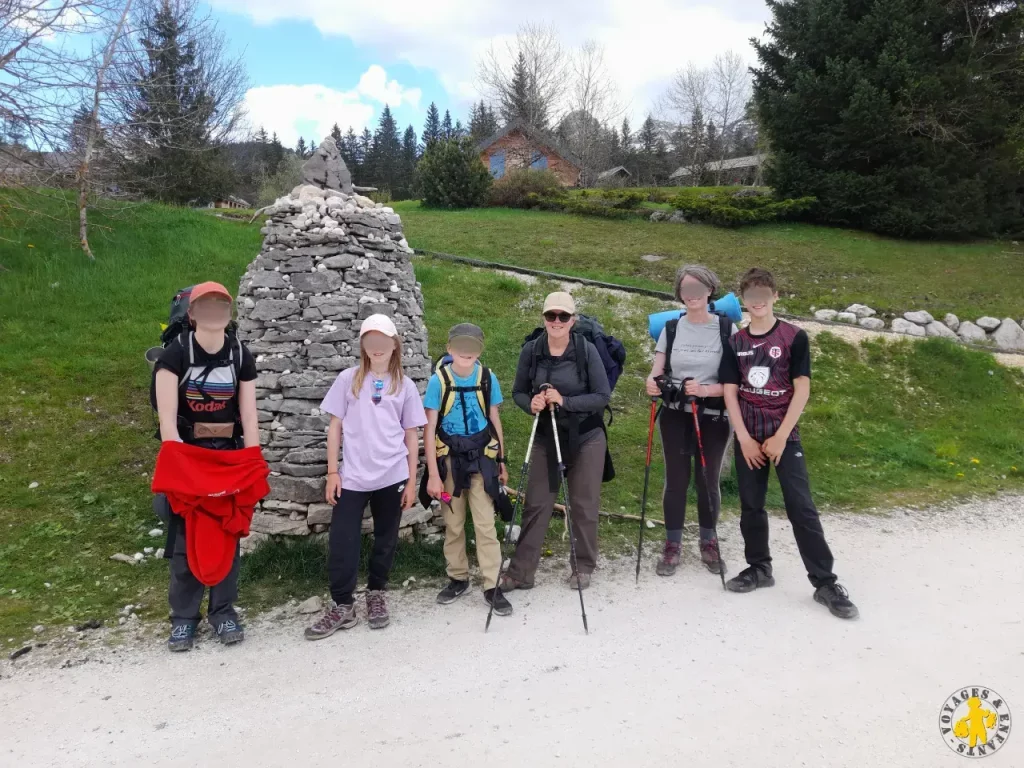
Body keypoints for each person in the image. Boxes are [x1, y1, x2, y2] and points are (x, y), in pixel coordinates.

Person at [719, 267, 859, 619]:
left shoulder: (794, 337)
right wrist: (744, 439)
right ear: (744, 300)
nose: (758, 301)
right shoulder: (735, 342)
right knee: (751, 505)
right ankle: (759, 568)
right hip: (748, 435)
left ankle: (825, 582)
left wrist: (781, 436)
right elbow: (730, 391)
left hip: (784, 435)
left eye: (764, 294)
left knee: (801, 507)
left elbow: (803, 388)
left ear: (775, 297)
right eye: (751, 296)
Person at [152, 281, 260, 651]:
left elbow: (248, 414)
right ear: (193, 313)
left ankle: (224, 612)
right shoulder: (174, 355)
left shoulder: (240, 354)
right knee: (185, 540)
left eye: (222, 306)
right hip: (189, 457)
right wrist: (182, 465)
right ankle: (183, 619)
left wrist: (253, 459)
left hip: (228, 457)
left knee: (228, 535)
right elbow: (167, 421)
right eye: (207, 306)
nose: (215, 312)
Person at [305, 314, 426, 639]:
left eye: (383, 340)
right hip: (353, 477)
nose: (377, 348)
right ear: (363, 345)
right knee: (342, 540)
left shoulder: (405, 385)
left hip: (393, 475)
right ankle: (343, 605)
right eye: (370, 341)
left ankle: (376, 593)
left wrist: (412, 481)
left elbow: (411, 434)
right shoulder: (348, 379)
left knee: (386, 538)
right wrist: (333, 471)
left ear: (394, 343)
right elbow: (334, 427)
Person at [500, 292, 610, 592]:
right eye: (551, 316)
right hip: (546, 434)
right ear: (544, 318)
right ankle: (521, 572)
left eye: (563, 316)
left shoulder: (586, 350)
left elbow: (602, 396)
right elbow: (518, 392)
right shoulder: (532, 350)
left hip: (586, 435)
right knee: (536, 503)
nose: (557, 321)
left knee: (583, 503)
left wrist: (565, 401)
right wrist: (531, 403)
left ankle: (583, 566)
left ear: (573, 320)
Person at [645, 265, 734, 578]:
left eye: (698, 288)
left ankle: (709, 543)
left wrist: (706, 389)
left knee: (707, 480)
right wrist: (652, 383)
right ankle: (672, 545)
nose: (692, 295)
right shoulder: (671, 328)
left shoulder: (726, 330)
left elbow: (737, 382)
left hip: (713, 416)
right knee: (676, 480)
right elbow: (656, 370)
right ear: (680, 294)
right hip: (674, 414)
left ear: (710, 291)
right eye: (686, 290)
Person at [422, 323, 513, 616]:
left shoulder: (488, 378)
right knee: (454, 523)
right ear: (449, 348)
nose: (466, 352)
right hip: (450, 462)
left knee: (486, 524)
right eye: (460, 346)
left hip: (483, 460)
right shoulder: (438, 381)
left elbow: (494, 417)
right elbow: (429, 426)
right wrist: (433, 474)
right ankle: (458, 578)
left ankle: (491, 585)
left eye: (472, 347)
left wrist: (502, 460)